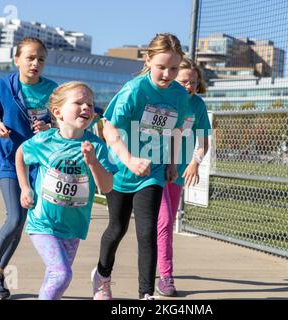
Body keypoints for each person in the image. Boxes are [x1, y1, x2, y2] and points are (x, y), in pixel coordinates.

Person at [91, 33, 189, 300]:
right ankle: (102, 277)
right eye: (161, 67)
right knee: (116, 229)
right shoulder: (134, 90)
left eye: (174, 68)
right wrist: (129, 160)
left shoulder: (180, 95)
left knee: (147, 231)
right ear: (148, 61)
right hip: (120, 169)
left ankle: (146, 294)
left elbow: (175, 130)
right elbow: (108, 129)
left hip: (152, 172)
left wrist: (171, 164)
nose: (168, 74)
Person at [0, 37, 58, 300]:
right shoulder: (4, 86)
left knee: (21, 223)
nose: (35, 63)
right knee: (15, 218)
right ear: (17, 59)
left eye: (41, 59)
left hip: (37, 163)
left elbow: (61, 119)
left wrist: (50, 126)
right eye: (30, 58)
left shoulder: (52, 90)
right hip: (9, 160)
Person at [16, 81, 117, 300]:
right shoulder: (44, 140)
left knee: (56, 277)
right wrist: (25, 187)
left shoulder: (96, 146)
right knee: (61, 274)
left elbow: (106, 186)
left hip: (73, 227)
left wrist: (92, 162)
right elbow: (21, 154)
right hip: (43, 222)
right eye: (79, 102)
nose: (86, 108)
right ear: (57, 112)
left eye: (90, 104)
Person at [156, 57, 211, 297]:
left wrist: (194, 164)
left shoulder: (197, 105)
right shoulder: (164, 100)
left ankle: (163, 274)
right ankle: (164, 274)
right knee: (164, 222)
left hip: (178, 173)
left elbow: (203, 143)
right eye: (185, 81)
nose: (189, 86)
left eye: (194, 83)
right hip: (155, 167)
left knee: (164, 224)